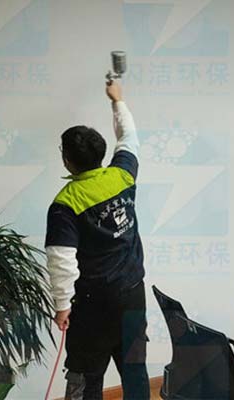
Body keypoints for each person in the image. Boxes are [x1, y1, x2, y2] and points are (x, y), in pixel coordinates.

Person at [45, 81, 150, 400]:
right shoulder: (122, 175)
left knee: (86, 376)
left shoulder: (66, 203)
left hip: (92, 305)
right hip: (133, 294)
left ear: (67, 160)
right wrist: (117, 100)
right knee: (134, 368)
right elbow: (129, 137)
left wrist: (62, 305)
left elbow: (61, 258)